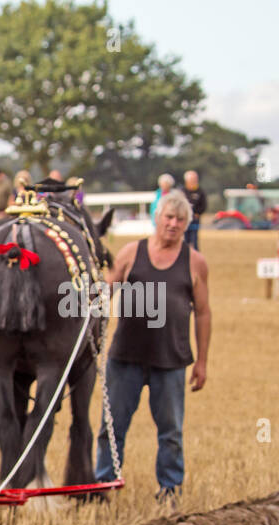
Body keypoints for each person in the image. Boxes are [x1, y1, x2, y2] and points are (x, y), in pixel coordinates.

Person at [95, 191, 211, 503]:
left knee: (170, 433)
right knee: (111, 427)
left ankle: (170, 489)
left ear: (188, 224)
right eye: (168, 217)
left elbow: (202, 312)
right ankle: (103, 484)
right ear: (156, 218)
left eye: (180, 220)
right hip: (125, 357)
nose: (173, 224)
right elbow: (105, 289)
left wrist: (201, 363)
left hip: (170, 360)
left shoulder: (195, 262)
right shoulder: (132, 252)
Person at [181, 170, 207, 250]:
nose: (194, 182)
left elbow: (204, 205)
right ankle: (185, 256)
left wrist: (198, 213)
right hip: (184, 220)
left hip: (195, 220)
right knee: (185, 240)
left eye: (195, 180)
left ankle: (196, 257)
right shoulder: (182, 191)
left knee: (194, 240)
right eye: (191, 180)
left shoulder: (200, 191)